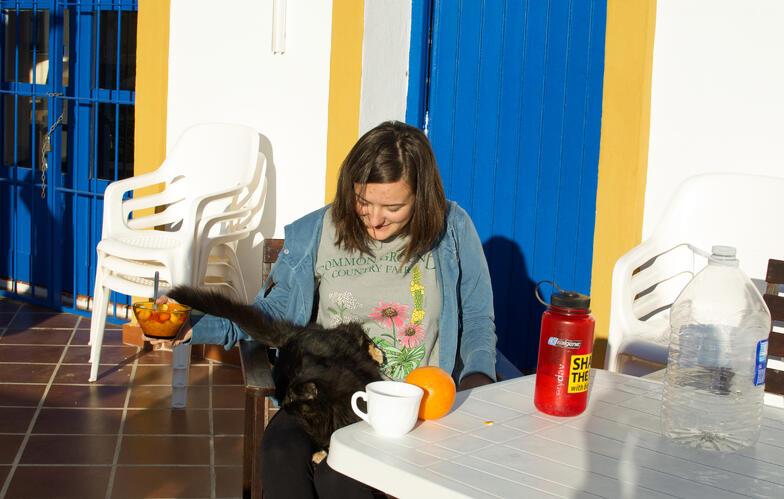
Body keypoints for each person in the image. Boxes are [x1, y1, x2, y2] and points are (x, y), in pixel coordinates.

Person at [160, 120, 497, 498]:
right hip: (326, 395)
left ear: (423, 197)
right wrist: (192, 324)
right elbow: (272, 316)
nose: (374, 219)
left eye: (393, 207)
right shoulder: (321, 230)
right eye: (363, 201)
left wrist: (477, 381)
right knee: (280, 450)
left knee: (340, 478)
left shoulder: (452, 230)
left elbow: (479, 322)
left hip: (412, 409)